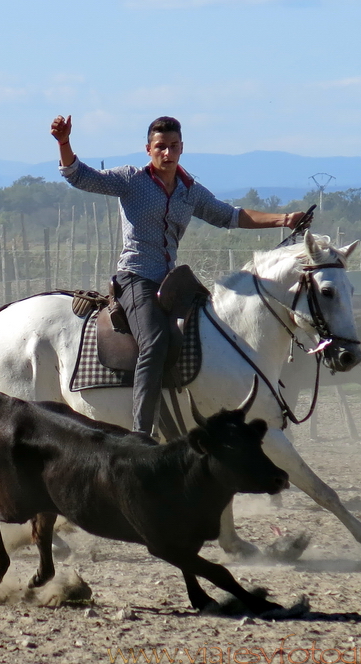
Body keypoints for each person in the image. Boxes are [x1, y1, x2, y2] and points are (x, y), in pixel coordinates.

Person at [51, 114, 307, 435]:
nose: (167, 154)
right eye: (161, 147)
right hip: (135, 278)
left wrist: (283, 219)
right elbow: (79, 176)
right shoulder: (131, 180)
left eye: (173, 147)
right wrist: (64, 143)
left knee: (213, 329)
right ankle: (141, 433)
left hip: (172, 281)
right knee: (154, 344)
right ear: (148, 149)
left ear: (182, 147)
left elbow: (230, 215)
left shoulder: (191, 191)